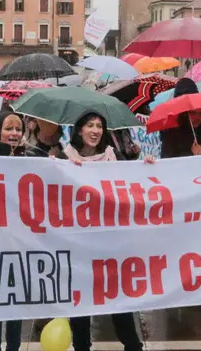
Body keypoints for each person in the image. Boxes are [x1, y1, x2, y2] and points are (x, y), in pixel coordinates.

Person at [63, 112, 150, 351]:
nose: (95, 130)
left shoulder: (112, 156)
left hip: (110, 246)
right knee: (80, 310)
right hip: (78, 247)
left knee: (119, 305)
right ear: (79, 130)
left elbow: (131, 181)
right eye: (89, 125)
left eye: (99, 126)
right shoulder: (64, 158)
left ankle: (133, 346)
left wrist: (148, 165)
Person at [0, 112, 42, 351]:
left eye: (18, 129)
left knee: (16, 306)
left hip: (21, 244)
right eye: (8, 129)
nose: (14, 133)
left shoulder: (35, 157)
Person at [159, 78, 201, 158]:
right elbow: (166, 159)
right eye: (192, 113)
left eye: (200, 113)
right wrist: (191, 156)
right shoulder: (171, 129)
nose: (197, 118)